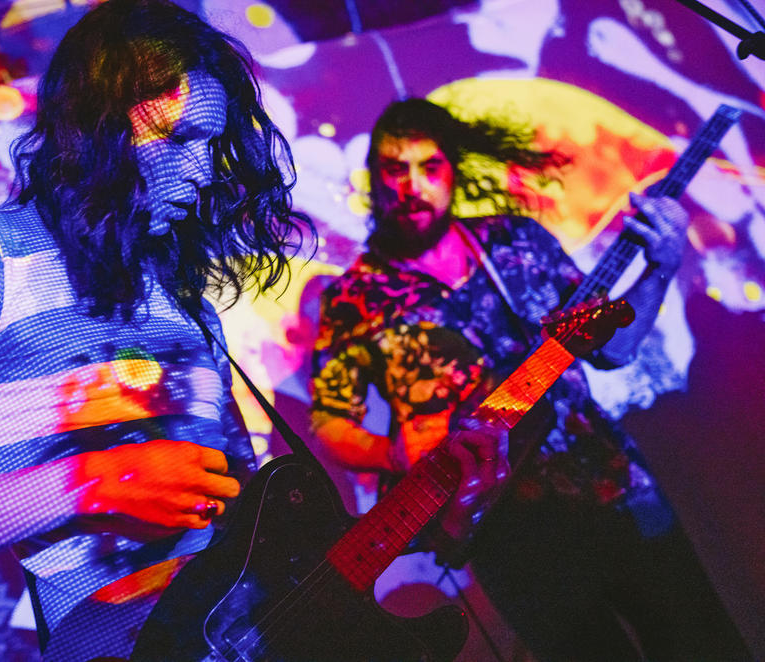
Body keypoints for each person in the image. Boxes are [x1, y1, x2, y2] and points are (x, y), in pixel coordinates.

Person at [0, 1, 321, 659]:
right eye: (178, 140)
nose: (203, 173)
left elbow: (253, 530)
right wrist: (100, 480)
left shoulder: (183, 295)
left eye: (212, 145)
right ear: (93, 124)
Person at [310, 98, 752, 661]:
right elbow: (328, 419)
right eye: (395, 169)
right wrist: (394, 451)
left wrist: (661, 265)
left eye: (430, 167)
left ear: (453, 171)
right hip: (508, 533)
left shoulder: (516, 241)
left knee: (704, 647)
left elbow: (613, 347)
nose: (412, 186)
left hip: (613, 487)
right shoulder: (354, 298)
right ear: (374, 177)